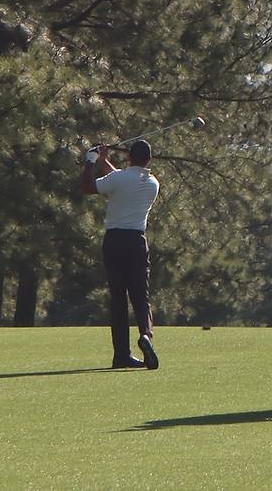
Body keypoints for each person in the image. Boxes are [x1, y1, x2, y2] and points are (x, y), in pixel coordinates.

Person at [80, 140, 160, 370]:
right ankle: (146, 334)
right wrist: (105, 162)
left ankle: (121, 355)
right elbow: (122, 181)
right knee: (140, 296)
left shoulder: (119, 179)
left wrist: (90, 162)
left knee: (118, 298)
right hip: (136, 241)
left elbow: (87, 188)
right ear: (149, 160)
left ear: (129, 158)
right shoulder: (152, 183)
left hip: (114, 241)